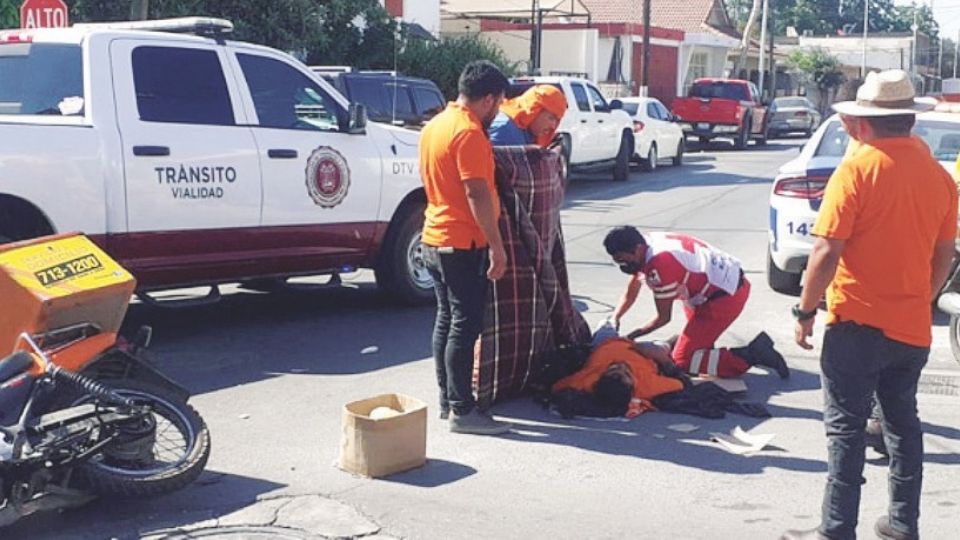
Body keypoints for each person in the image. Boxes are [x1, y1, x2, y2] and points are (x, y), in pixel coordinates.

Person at [782, 70, 957, 540]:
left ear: (863, 123)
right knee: (903, 425)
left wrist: (804, 311)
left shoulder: (857, 170)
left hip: (857, 323)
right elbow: (945, 253)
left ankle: (836, 529)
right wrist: (923, 296)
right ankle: (903, 524)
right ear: (910, 122)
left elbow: (825, 251)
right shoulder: (940, 179)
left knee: (846, 430)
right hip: (911, 326)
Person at [419, 61, 512, 436]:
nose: (500, 110)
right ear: (488, 99)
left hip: (434, 237)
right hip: (460, 243)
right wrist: (497, 246)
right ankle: (462, 410)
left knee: (447, 321)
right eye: (500, 102)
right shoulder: (469, 133)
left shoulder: (436, 124)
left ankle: (449, 400)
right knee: (465, 325)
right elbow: (476, 193)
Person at [604, 226, 790, 379]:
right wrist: (615, 317)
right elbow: (632, 289)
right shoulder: (648, 243)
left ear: (636, 249)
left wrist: (631, 337)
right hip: (710, 289)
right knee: (695, 350)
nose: (622, 266)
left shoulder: (660, 265)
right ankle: (691, 348)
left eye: (623, 260)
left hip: (723, 297)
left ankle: (753, 354)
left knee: (683, 361)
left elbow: (663, 318)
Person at [488, 84, 567, 147]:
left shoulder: (527, 132)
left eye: (557, 120)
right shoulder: (505, 130)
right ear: (534, 110)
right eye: (551, 118)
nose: (553, 126)